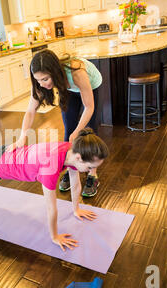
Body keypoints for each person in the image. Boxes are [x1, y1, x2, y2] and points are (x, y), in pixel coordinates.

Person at [0, 128, 109, 251]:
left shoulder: (69, 150)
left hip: (4, 153)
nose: (91, 171)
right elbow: (50, 206)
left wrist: (76, 208)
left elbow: (75, 182)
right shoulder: (51, 167)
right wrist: (55, 236)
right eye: (90, 167)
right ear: (79, 158)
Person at [7, 49, 103, 197]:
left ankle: (92, 174)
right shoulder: (41, 82)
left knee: (88, 129)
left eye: (45, 79)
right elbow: (30, 111)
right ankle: (72, 168)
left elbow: (89, 107)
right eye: (38, 80)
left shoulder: (77, 72)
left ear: (55, 72)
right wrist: (22, 137)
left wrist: (78, 132)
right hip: (68, 88)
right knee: (69, 130)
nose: (41, 84)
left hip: (91, 84)